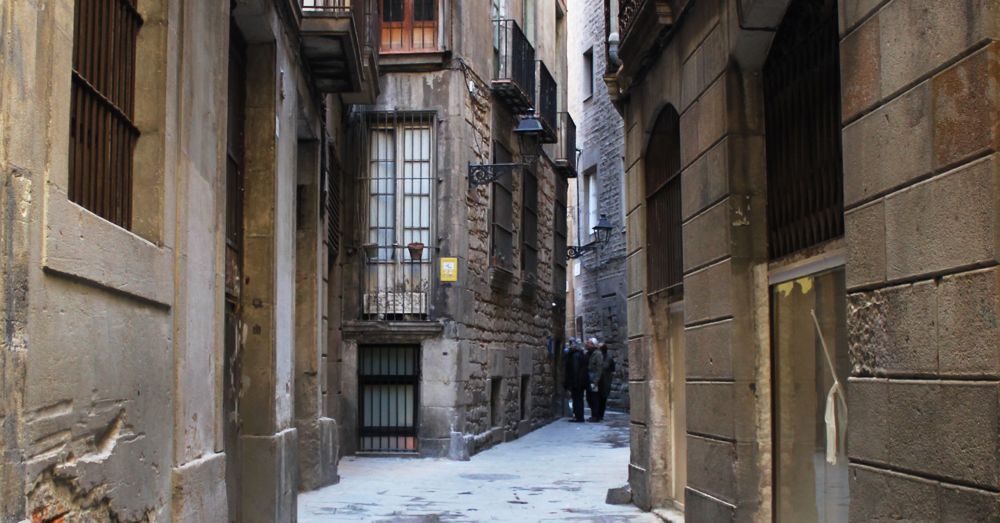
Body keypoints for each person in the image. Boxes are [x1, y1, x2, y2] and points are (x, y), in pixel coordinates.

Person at [562, 338, 588, 422]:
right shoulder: (579, 354)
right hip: (579, 381)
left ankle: (578, 416)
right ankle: (578, 416)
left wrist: (574, 382)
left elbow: (575, 369)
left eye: (571, 344)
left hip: (576, 382)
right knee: (578, 399)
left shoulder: (575, 355)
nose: (570, 346)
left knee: (577, 399)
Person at [585, 337, 604, 422]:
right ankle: (594, 415)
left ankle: (595, 416)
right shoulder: (589, 353)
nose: (586, 344)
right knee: (589, 398)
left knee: (594, 398)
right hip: (589, 379)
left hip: (594, 380)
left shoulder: (597, 354)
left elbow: (599, 368)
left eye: (588, 343)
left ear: (592, 344)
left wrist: (596, 381)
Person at [598, 343, 615, 420]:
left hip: (605, 381)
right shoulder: (598, 357)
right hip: (598, 381)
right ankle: (597, 413)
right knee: (596, 398)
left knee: (603, 398)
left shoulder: (609, 358)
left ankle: (600, 414)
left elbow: (612, 370)